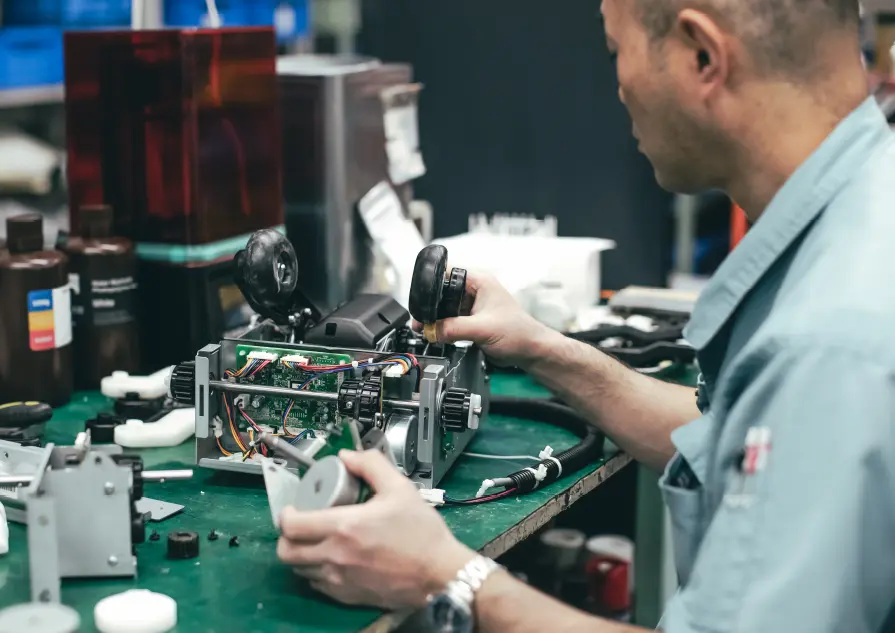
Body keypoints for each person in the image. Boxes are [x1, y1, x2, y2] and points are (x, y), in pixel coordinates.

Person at [276, 0, 895, 631]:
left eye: (615, 53)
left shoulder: (831, 337)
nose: (619, 85)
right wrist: (542, 346)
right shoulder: (863, 219)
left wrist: (446, 575)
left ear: (702, 56)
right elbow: (727, 435)